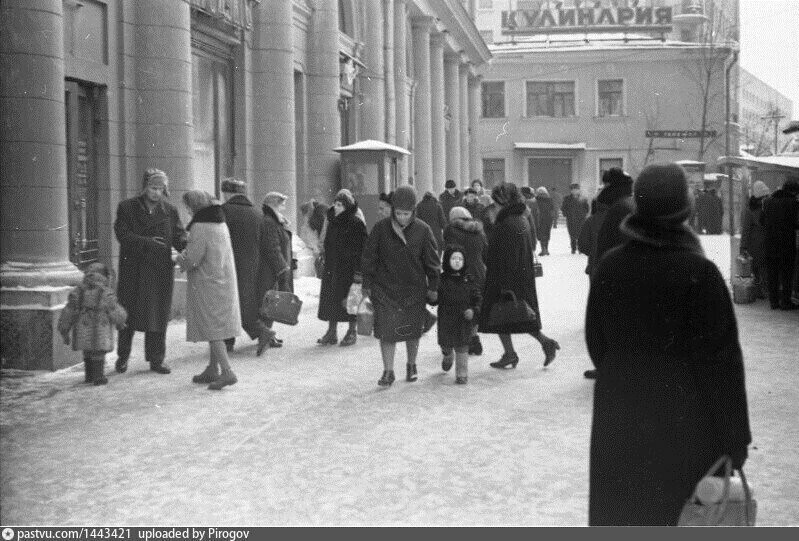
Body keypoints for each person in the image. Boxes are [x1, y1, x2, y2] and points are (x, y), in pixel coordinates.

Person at [586, 163, 751, 525]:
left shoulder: (610, 267)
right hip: (684, 429)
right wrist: (735, 441)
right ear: (685, 210)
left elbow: (596, 344)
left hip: (620, 421)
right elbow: (722, 365)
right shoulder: (700, 274)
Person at [361, 185, 440, 387]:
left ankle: (411, 365)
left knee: (411, 331)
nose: (402, 217)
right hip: (385, 289)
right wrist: (367, 285)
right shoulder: (380, 229)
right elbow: (369, 258)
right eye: (398, 213)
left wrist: (433, 287)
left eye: (406, 214)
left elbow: (432, 262)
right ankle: (388, 371)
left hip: (413, 290)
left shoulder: (423, 230)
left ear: (413, 211)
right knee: (387, 332)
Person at [479, 183, 560, 369]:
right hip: (520, 277)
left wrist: (503, 284)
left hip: (505, 278)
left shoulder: (506, 223)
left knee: (504, 315)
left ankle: (522, 350)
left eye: (497, 202)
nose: (495, 206)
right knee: (517, 316)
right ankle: (519, 350)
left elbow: (500, 254)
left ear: (504, 202)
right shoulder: (519, 218)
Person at [114, 168, 186, 375]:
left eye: (160, 188)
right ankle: (123, 357)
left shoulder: (170, 210)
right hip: (133, 269)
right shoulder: (127, 207)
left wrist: (187, 248)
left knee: (158, 316)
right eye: (153, 188)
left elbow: (178, 236)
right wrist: (147, 242)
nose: (156, 192)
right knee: (127, 315)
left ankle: (156, 359)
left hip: (159, 270)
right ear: (145, 187)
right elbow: (122, 234)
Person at [176, 191, 241, 390]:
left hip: (207, 283)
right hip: (223, 280)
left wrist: (179, 258)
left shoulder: (200, 226)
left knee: (213, 329)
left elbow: (193, 258)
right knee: (217, 326)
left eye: (188, 206)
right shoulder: (219, 222)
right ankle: (213, 368)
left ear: (194, 207)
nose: (187, 211)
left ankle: (227, 371)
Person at [220, 178, 276, 355]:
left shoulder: (223, 211)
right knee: (245, 302)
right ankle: (258, 332)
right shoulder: (257, 213)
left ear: (227, 193)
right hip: (252, 265)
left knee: (227, 303)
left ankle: (230, 341)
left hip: (228, 264)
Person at [58, 262, 128, 385]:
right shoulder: (105, 292)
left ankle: (89, 375)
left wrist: (64, 328)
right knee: (98, 353)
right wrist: (120, 321)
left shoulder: (78, 291)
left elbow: (69, 310)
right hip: (100, 329)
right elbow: (113, 309)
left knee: (87, 352)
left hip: (83, 328)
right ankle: (98, 377)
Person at [317, 189, 368, 346]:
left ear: (347, 207)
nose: (337, 207)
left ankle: (351, 331)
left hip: (349, 269)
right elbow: (327, 242)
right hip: (333, 267)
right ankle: (332, 332)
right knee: (332, 299)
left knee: (351, 300)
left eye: (340, 205)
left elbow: (362, 249)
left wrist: (359, 272)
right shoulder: (332, 221)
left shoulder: (356, 223)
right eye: (336, 204)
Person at [434, 244, 482, 384]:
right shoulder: (441, 279)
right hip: (446, 319)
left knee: (462, 345)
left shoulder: (469, 279)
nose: (457, 261)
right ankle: (448, 355)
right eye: (453, 258)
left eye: (460, 259)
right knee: (446, 344)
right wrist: (432, 296)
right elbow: (435, 300)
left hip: (463, 319)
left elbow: (478, 298)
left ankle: (462, 373)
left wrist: (473, 310)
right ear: (447, 260)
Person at [444, 206, 488, 356]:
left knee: (460, 308)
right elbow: (486, 254)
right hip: (479, 273)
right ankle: (474, 339)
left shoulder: (451, 231)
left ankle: (466, 340)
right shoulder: (478, 231)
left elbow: (450, 253)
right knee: (474, 306)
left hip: (462, 274)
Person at [257, 192, 295, 347]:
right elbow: (273, 248)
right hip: (272, 270)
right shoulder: (269, 222)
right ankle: (265, 335)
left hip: (276, 268)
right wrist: (282, 268)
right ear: (274, 204)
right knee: (270, 303)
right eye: (281, 203)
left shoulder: (274, 221)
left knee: (272, 303)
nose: (284, 207)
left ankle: (267, 334)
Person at [761, 178, 799, 310]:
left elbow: (762, 221)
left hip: (770, 244)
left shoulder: (768, 202)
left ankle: (774, 302)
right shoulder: (793, 203)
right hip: (786, 244)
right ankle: (786, 302)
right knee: (787, 274)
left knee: (772, 274)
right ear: (794, 191)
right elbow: (797, 223)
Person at [739, 181, 770, 299]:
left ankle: (762, 291)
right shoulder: (750, 211)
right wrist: (743, 247)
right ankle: (759, 291)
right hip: (756, 245)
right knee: (757, 269)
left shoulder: (765, 208)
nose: (767, 198)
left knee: (762, 268)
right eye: (765, 196)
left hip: (764, 244)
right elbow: (745, 230)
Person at [561, 183, 590, 254]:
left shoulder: (583, 199)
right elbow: (563, 208)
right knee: (572, 234)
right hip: (571, 219)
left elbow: (587, 208)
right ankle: (573, 248)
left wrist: (584, 214)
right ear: (571, 191)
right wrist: (566, 214)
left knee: (581, 234)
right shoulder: (567, 198)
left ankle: (580, 248)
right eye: (573, 190)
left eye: (576, 189)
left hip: (581, 219)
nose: (575, 191)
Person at [534, 187, 554, 256]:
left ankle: (543, 249)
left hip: (539, 218)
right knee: (547, 233)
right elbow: (552, 208)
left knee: (541, 234)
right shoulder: (549, 199)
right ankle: (546, 249)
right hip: (548, 219)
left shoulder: (536, 200)